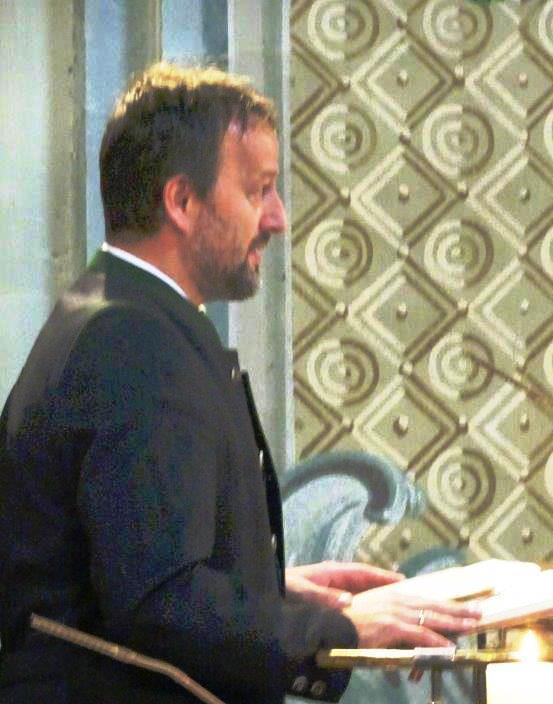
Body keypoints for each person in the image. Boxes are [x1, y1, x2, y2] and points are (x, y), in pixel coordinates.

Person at [0, 63, 479, 704]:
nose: (277, 219)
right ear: (182, 202)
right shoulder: (133, 341)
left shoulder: (113, 316)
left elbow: (126, 567)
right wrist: (335, 630)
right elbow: (160, 601)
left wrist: (271, 588)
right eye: (259, 191)